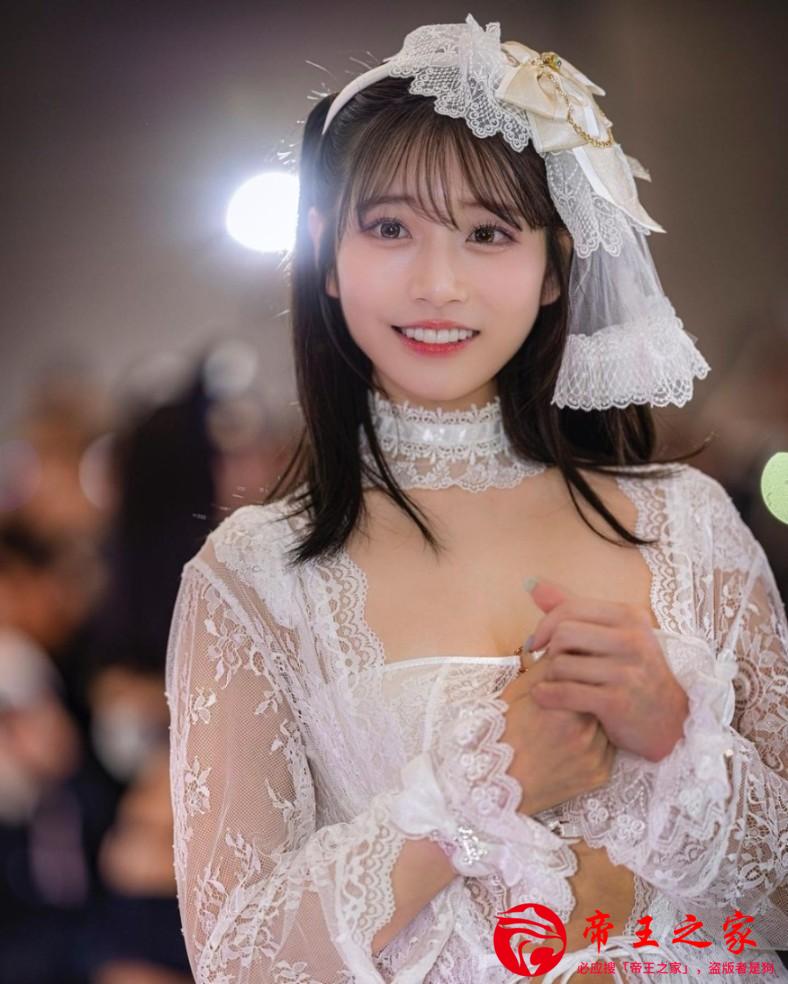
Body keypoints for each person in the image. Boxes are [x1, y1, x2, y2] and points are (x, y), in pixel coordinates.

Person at [165, 16, 788, 984]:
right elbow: (236, 960)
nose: (437, 283)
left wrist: (675, 738)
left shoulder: (691, 527)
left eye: (487, 233)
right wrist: (471, 796)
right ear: (326, 256)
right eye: (390, 228)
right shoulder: (253, 577)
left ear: (553, 268)